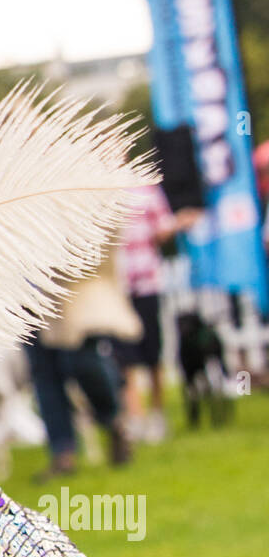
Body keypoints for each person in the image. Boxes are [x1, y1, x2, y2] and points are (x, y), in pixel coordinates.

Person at [26, 248, 140, 478]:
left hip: (77, 287)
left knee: (83, 363)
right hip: (31, 294)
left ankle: (113, 420)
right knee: (45, 375)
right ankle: (63, 453)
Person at [116, 183, 201, 441]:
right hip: (117, 288)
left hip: (147, 282)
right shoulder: (96, 191)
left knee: (153, 353)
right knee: (124, 357)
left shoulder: (146, 188)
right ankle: (136, 417)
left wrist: (178, 223)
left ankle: (156, 413)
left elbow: (161, 228)